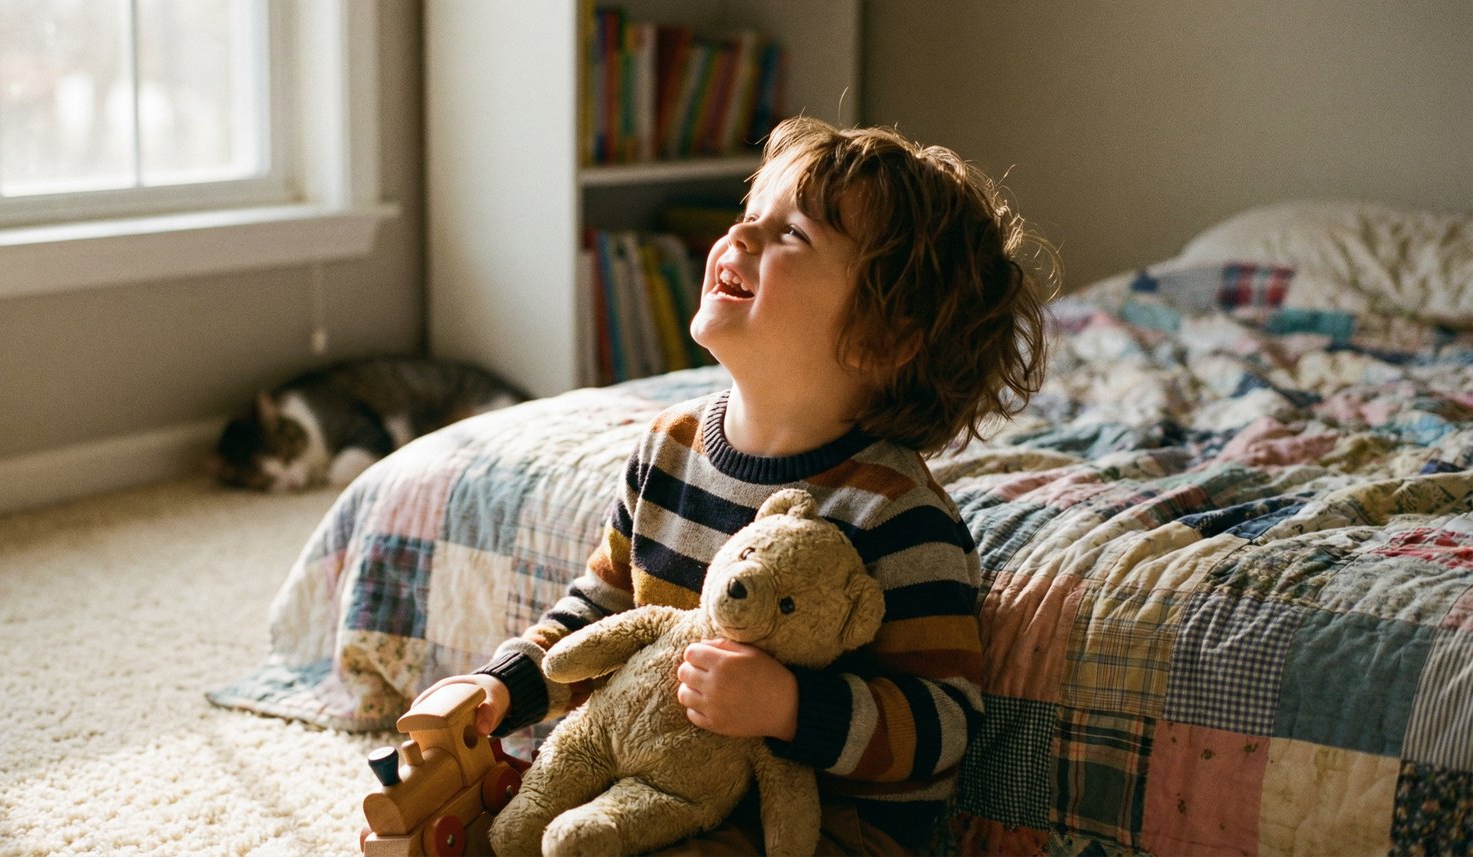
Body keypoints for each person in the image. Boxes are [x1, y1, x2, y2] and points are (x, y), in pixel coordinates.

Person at [415, 115, 1055, 854]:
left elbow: (942, 722)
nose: (740, 239)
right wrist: (504, 686)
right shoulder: (670, 446)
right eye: (750, 218)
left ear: (885, 336)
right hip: (649, 782)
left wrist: (791, 707)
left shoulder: (897, 512)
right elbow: (602, 608)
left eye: (793, 235)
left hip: (811, 829)